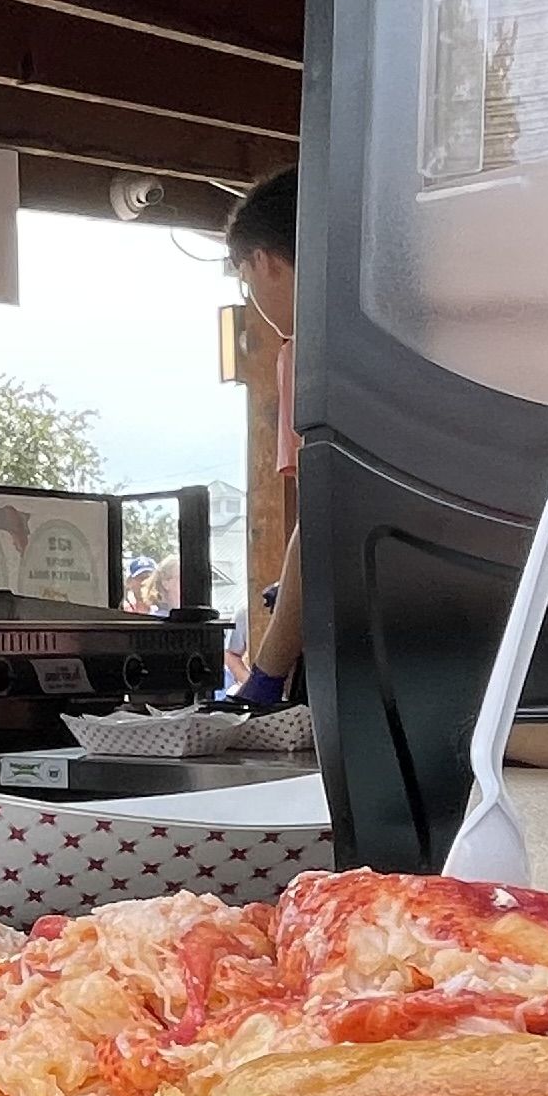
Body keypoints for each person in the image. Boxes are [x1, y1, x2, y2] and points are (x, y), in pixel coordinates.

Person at [223, 167, 305, 705]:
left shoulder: (307, 355)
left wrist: (265, 675)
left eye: (248, 285)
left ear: (264, 261)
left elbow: (325, 525)